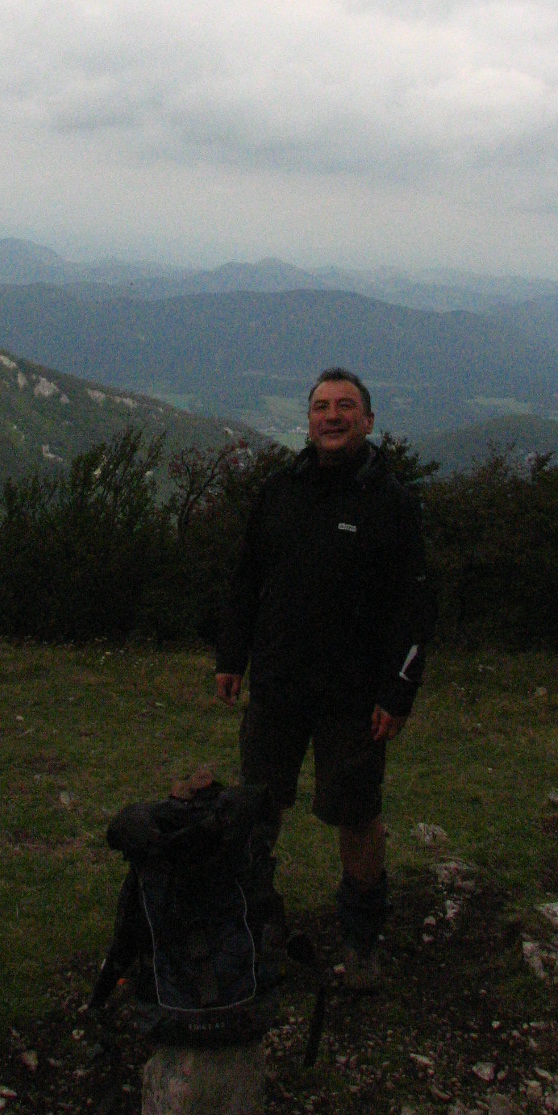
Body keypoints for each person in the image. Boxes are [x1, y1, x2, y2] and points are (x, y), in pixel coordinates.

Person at [215, 367, 432, 987]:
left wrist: (399, 692)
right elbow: (247, 577)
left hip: (354, 697)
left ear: (368, 420)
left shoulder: (392, 503)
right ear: (308, 420)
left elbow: (416, 606)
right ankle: (252, 930)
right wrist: (231, 656)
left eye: (345, 406)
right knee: (258, 808)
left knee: (356, 816)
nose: (331, 416)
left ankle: (361, 944)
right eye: (320, 406)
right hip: (278, 684)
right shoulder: (280, 489)